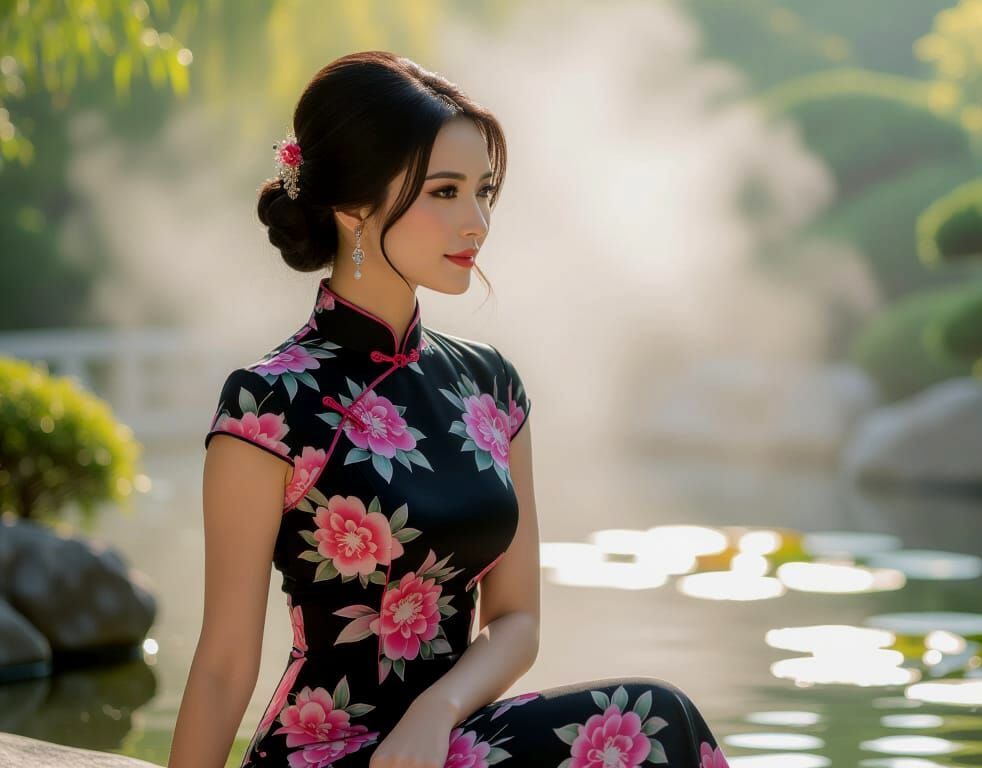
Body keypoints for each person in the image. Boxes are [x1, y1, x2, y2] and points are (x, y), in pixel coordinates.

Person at [168, 50, 727, 768]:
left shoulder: (490, 387)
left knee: (657, 720)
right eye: (445, 192)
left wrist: (436, 712)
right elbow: (222, 665)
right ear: (353, 205)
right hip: (326, 756)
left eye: (483, 190)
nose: (477, 221)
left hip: (451, 741)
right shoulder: (270, 404)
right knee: (649, 728)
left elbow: (516, 620)